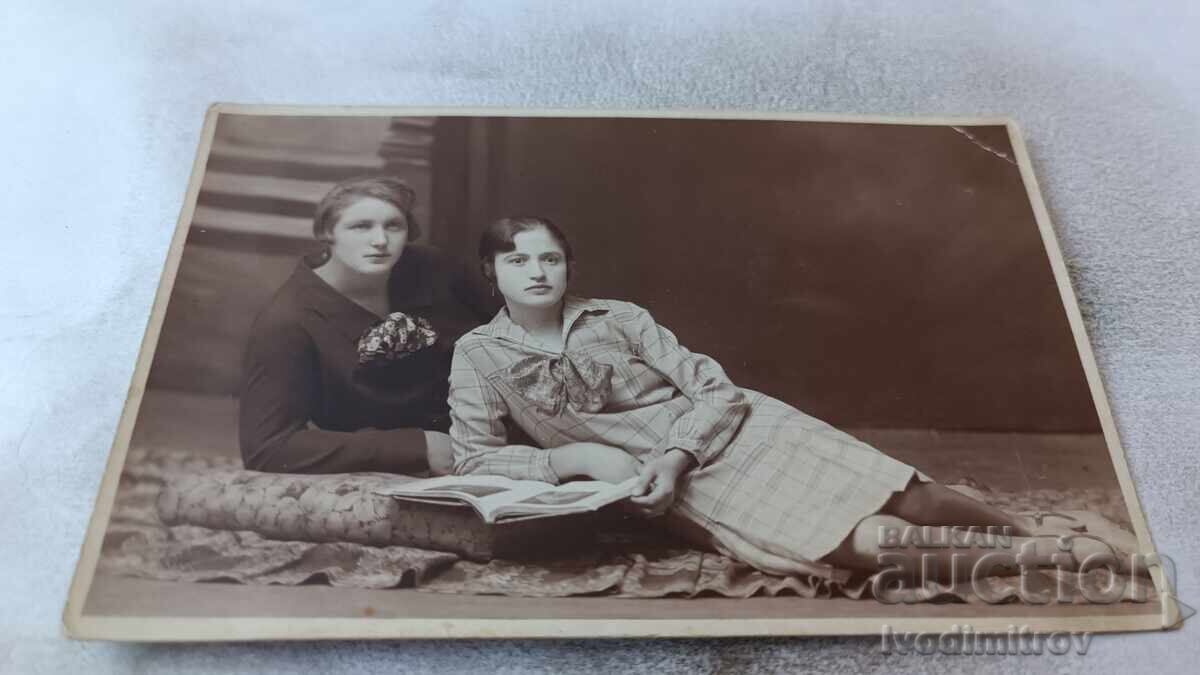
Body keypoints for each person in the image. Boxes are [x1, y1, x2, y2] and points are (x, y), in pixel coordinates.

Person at [447, 216, 1134, 584]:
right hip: (667, 483)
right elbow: (474, 456)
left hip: (734, 429)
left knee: (914, 496)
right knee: (862, 542)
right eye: (517, 260)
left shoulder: (620, 316)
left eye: (550, 259)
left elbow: (712, 386)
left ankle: (1024, 530)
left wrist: (681, 449)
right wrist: (575, 458)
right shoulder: (480, 354)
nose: (537, 272)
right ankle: (1048, 555)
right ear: (490, 271)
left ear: (568, 265)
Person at [239, 176, 488, 475]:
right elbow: (267, 447)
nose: (380, 241)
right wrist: (417, 447)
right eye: (361, 227)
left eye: (393, 226)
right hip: (406, 467)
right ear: (327, 232)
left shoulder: (437, 269)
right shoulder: (287, 321)